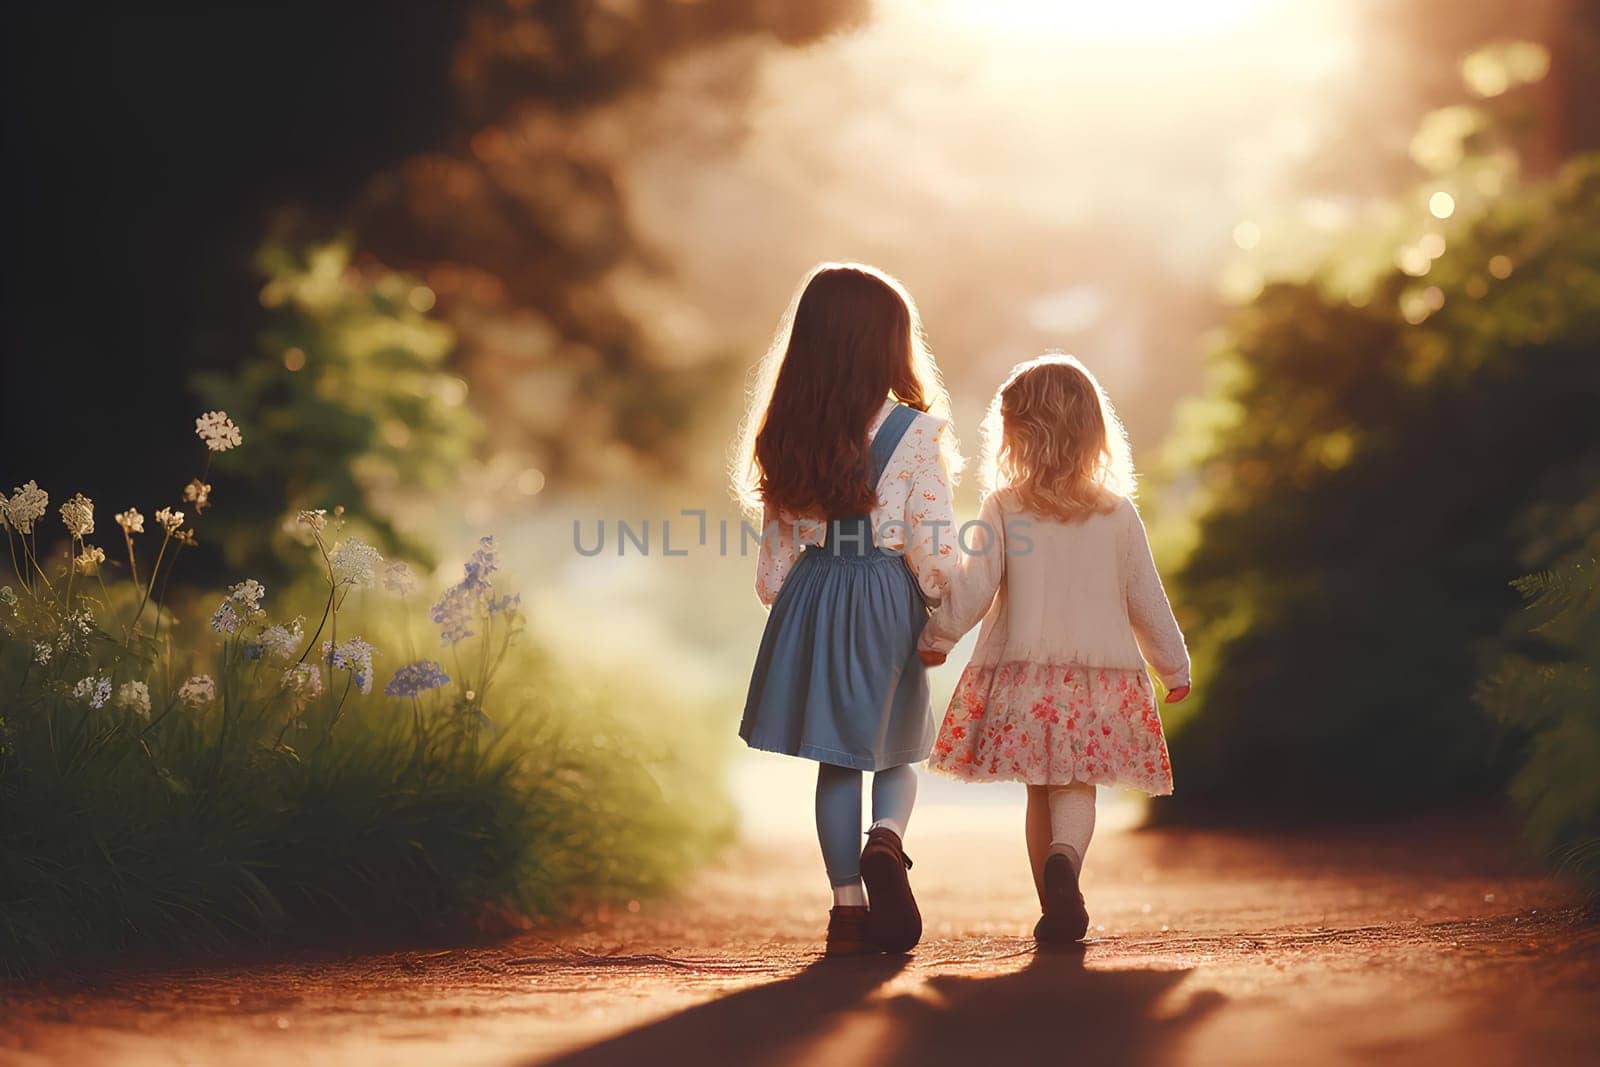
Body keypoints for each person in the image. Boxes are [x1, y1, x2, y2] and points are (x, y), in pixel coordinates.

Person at [917, 354, 1190, 946]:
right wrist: (1174, 666)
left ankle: (1054, 901)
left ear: (1015, 436)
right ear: (1093, 433)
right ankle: (1066, 861)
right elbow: (1147, 599)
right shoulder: (1118, 515)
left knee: (1039, 788)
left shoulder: (1004, 507)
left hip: (1025, 677)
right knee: (1075, 785)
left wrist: (935, 640)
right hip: (1103, 678)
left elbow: (972, 590)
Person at [732, 263, 960, 955]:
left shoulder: (787, 431)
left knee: (837, 761)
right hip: (887, 594)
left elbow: (776, 559)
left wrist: (789, 594)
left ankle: (845, 912)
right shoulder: (916, 433)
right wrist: (938, 600)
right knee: (896, 745)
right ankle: (886, 840)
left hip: (819, 590)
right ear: (888, 345)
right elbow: (933, 542)